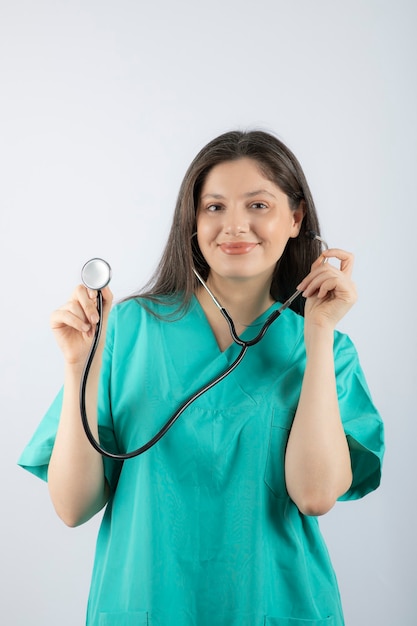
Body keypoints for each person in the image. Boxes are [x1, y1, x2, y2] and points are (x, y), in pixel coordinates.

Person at [18, 130, 384, 626]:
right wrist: (77, 366)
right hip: (148, 605)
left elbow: (315, 495)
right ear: (192, 220)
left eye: (258, 204)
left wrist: (317, 332)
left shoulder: (328, 349)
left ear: (295, 218)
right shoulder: (124, 331)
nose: (235, 225)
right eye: (214, 207)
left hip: (276, 604)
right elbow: (72, 507)